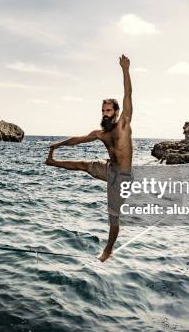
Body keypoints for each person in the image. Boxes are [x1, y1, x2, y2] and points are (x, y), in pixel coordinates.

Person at [45, 54, 133, 262]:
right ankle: (52, 162)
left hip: (122, 177)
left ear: (116, 112)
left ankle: (108, 250)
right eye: (103, 110)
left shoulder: (124, 124)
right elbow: (79, 140)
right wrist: (59, 144)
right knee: (84, 165)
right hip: (109, 168)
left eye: (108, 110)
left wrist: (125, 69)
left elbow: (128, 93)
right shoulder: (100, 133)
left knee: (113, 216)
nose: (105, 113)